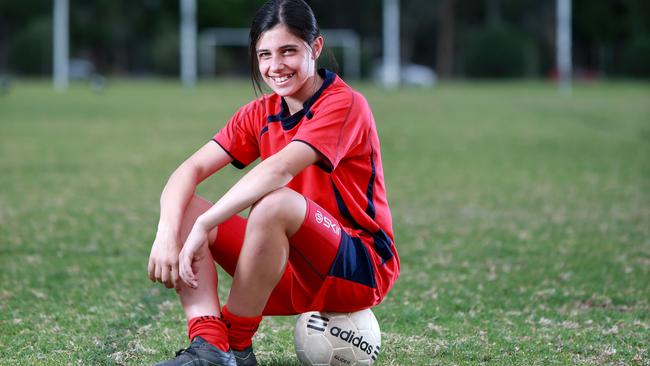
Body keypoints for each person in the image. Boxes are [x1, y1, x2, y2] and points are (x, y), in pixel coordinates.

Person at [147, 0, 399, 365]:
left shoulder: (345, 104)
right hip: (284, 267)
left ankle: (235, 340)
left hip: (359, 267)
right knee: (184, 204)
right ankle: (210, 345)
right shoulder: (261, 113)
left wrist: (207, 224)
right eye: (265, 54)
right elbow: (188, 171)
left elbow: (279, 169)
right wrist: (167, 232)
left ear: (315, 48)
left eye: (288, 51)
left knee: (273, 202)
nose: (275, 66)